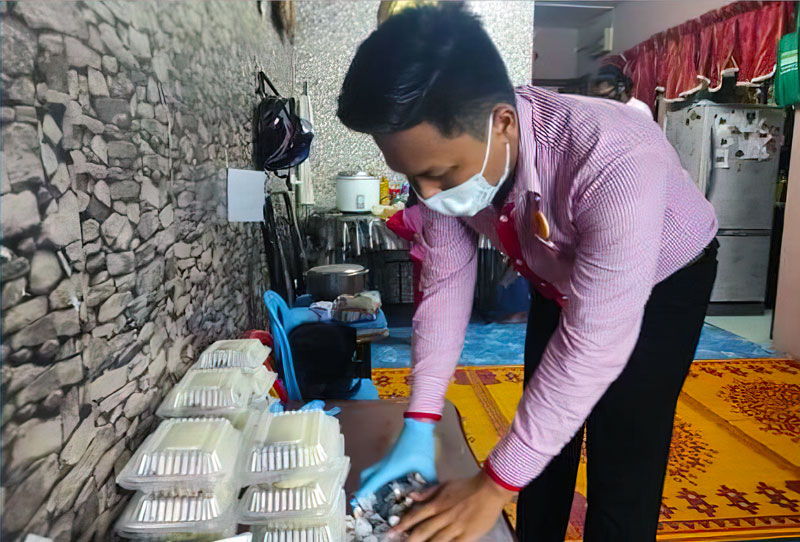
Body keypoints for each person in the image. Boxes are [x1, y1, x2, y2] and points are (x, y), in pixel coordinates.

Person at [338, 5, 718, 542]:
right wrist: (420, 419)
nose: (427, 195)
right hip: (556, 276)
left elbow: (594, 342)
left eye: (440, 174)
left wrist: (491, 487)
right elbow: (444, 286)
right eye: (413, 178)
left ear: (503, 123)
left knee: (624, 443)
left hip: (664, 277)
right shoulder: (445, 174)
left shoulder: (616, 158)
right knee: (541, 434)